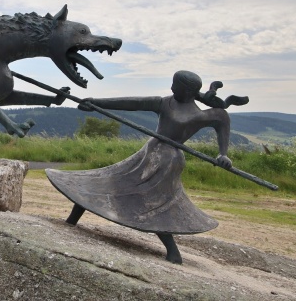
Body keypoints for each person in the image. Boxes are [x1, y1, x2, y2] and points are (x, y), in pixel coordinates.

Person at [45, 70, 248, 264]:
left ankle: (173, 251)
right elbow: (132, 103)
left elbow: (223, 124)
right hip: (150, 152)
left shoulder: (204, 115)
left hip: (168, 161)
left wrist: (223, 155)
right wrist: (96, 103)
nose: (171, 87)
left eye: (175, 85)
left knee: (155, 203)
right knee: (106, 180)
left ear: (187, 91)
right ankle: (72, 220)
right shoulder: (165, 102)